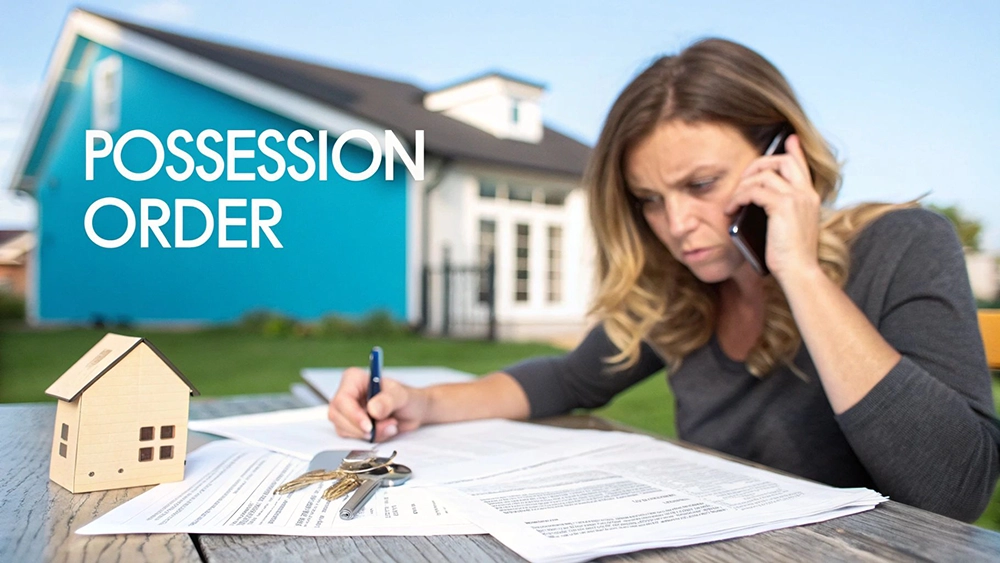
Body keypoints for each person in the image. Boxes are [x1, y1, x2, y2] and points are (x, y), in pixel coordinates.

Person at [328, 38, 1000, 522]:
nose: (676, 224)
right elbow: (567, 380)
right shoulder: (683, 291)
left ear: (784, 153)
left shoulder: (904, 243)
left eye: (700, 184)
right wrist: (424, 402)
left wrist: (797, 269)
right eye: (649, 198)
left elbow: (956, 486)